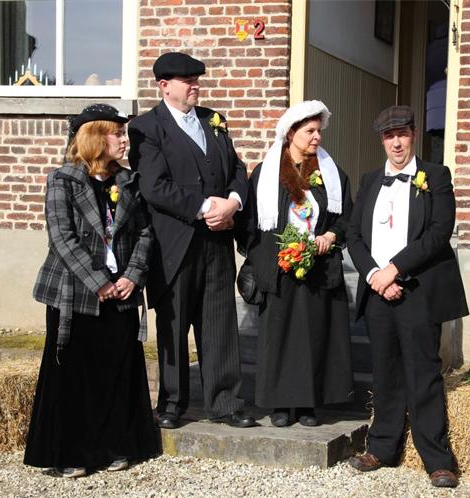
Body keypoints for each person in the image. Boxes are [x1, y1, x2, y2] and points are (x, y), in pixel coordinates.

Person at [25, 103, 160, 478]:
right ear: (96, 137)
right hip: (77, 290)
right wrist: (98, 282)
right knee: (75, 375)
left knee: (116, 370)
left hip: (122, 290)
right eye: (118, 134)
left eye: (123, 133)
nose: (124, 141)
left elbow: (145, 234)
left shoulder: (127, 181)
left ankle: (117, 447)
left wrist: (132, 276)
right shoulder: (63, 180)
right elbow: (62, 239)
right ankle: (73, 454)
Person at [128, 52, 255, 429]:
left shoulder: (214, 121)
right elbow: (154, 186)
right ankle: (171, 403)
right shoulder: (146, 128)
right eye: (187, 81)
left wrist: (233, 202)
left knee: (219, 322)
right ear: (164, 86)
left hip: (217, 241)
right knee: (174, 323)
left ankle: (226, 402)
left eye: (197, 80)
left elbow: (237, 170)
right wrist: (204, 207)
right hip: (175, 243)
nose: (195, 86)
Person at [346, 105, 469, 488]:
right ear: (382, 141)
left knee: (423, 373)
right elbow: (354, 235)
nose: (396, 143)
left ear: (413, 134)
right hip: (378, 291)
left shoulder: (436, 176)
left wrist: (394, 270)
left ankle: (437, 459)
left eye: (402, 134)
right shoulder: (370, 180)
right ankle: (382, 448)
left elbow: (438, 232)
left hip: (417, 290)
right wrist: (375, 276)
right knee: (384, 372)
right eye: (389, 136)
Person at [239, 100, 354, 427]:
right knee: (280, 338)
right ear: (291, 133)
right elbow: (250, 222)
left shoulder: (331, 174)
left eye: (319, 131)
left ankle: (307, 405)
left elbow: (347, 217)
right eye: (310, 131)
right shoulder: (266, 174)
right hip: (280, 268)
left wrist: (331, 236)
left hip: (318, 267)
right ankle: (280, 405)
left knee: (313, 337)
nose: (317, 137)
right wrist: (265, 257)